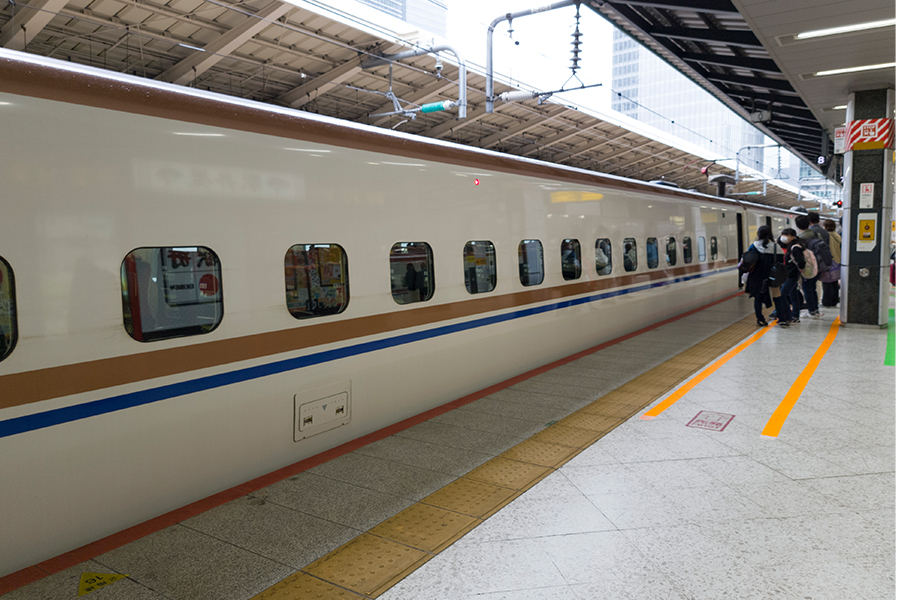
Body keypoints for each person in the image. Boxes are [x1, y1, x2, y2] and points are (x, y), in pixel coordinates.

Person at [743, 226, 777, 326]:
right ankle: (780, 316)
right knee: (777, 296)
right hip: (771, 275)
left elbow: (746, 259)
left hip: (755, 276)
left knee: (757, 298)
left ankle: (760, 318)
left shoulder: (753, 246)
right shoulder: (775, 247)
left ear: (759, 234)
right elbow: (780, 262)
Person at [794, 215, 823, 319]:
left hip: (808, 267)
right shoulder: (817, 234)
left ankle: (811, 311)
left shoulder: (802, 238)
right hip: (818, 265)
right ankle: (815, 310)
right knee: (812, 288)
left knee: (807, 289)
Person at [778, 228, 806, 325]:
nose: (784, 237)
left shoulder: (795, 247)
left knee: (782, 295)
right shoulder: (792, 246)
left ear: (793, 237)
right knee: (793, 295)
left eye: (787, 235)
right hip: (791, 274)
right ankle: (795, 316)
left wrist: (796, 269)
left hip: (791, 275)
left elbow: (801, 262)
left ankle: (787, 316)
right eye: (783, 235)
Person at [822, 219, 841, 307]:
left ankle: (827, 301)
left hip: (829, 261)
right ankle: (834, 300)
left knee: (827, 282)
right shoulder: (837, 235)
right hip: (837, 261)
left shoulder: (826, 236)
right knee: (834, 282)